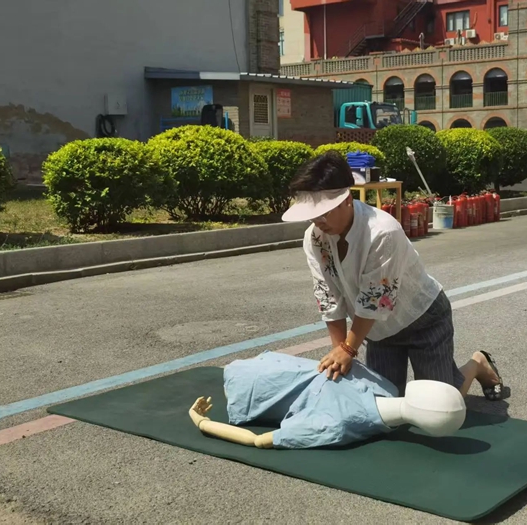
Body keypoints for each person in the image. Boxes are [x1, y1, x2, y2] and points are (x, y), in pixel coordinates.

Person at [281, 151, 503, 401]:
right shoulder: (315, 238)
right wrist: (339, 352)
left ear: (347, 199)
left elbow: (374, 299)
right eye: (312, 215)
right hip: (378, 331)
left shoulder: (381, 232)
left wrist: (348, 349)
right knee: (382, 402)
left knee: (438, 404)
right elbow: (328, 296)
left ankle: (477, 364)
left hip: (422, 319)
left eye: (324, 213)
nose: (317, 221)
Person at [188, 351, 466, 449]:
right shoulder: (387, 387)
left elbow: (256, 440)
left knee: (257, 373)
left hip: (256, 387)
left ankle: (476, 366)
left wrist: (201, 422)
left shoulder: (335, 423)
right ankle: (476, 365)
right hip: (276, 373)